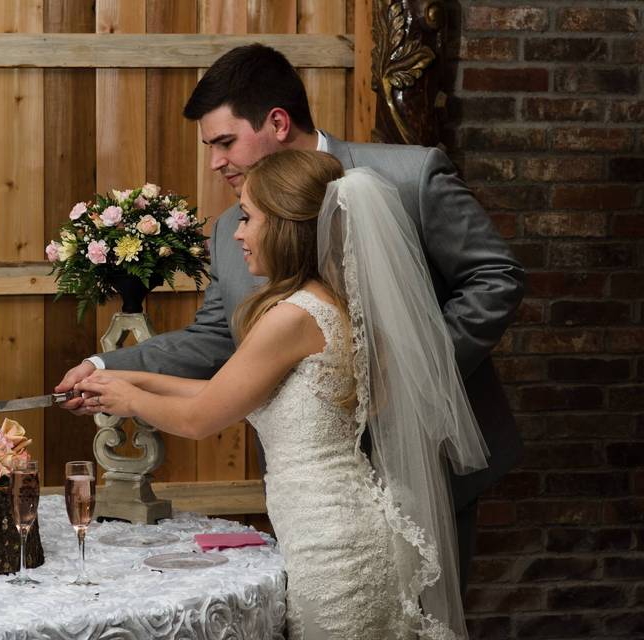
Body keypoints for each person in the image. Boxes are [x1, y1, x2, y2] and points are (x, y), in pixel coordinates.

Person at [57, 43, 525, 591]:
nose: (215, 162)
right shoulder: (234, 228)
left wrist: (409, 378)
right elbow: (215, 337)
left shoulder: (407, 177)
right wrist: (104, 363)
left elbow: (496, 279)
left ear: (277, 122)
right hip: (316, 497)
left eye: (225, 142)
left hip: (429, 459)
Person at [77, 149, 489, 638]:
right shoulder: (327, 302)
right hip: (344, 525)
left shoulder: (292, 316)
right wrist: (128, 380)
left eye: (248, 217)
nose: (237, 233)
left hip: (331, 546)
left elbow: (200, 418)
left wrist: (126, 402)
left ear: (286, 226)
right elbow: (226, 389)